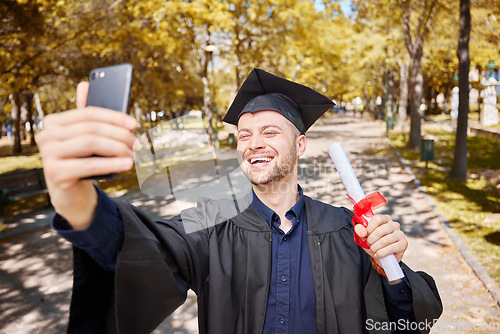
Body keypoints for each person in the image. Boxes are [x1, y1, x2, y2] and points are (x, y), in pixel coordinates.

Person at [36, 68, 442, 334]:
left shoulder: (344, 228)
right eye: (244, 135)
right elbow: (145, 249)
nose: (254, 144)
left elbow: (405, 322)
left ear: (300, 145)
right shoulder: (213, 217)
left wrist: (390, 271)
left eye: (270, 132)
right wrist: (79, 203)